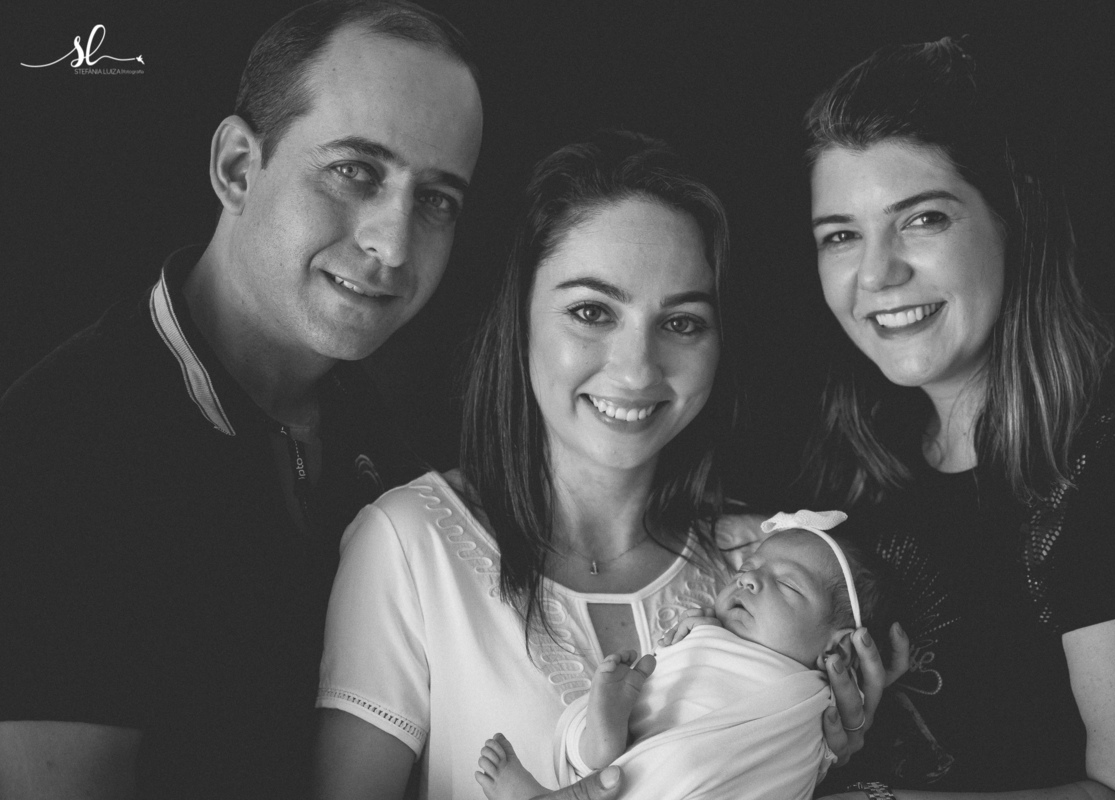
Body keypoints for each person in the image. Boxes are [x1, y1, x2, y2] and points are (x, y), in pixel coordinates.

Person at [313, 130, 898, 799]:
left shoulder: (771, 560)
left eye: (682, 323)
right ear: (520, 319)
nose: (637, 368)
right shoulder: (410, 544)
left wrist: (810, 760)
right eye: (592, 312)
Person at [0, 2, 483, 798]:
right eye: (355, 171)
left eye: (437, 199)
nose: (393, 244)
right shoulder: (61, 446)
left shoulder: (400, 457)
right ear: (236, 168)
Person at [798, 38, 1115, 799]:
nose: (877, 272)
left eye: (923, 219)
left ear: (1012, 219)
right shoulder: (850, 468)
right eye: (841, 235)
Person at [476, 508, 896, 800]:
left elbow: (798, 767)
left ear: (838, 646)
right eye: (746, 569)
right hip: (656, 762)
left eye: (788, 585)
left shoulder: (820, 701)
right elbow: (668, 689)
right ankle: (601, 740)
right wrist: (696, 641)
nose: (749, 581)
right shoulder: (703, 637)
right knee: (667, 750)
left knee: (692, 766)